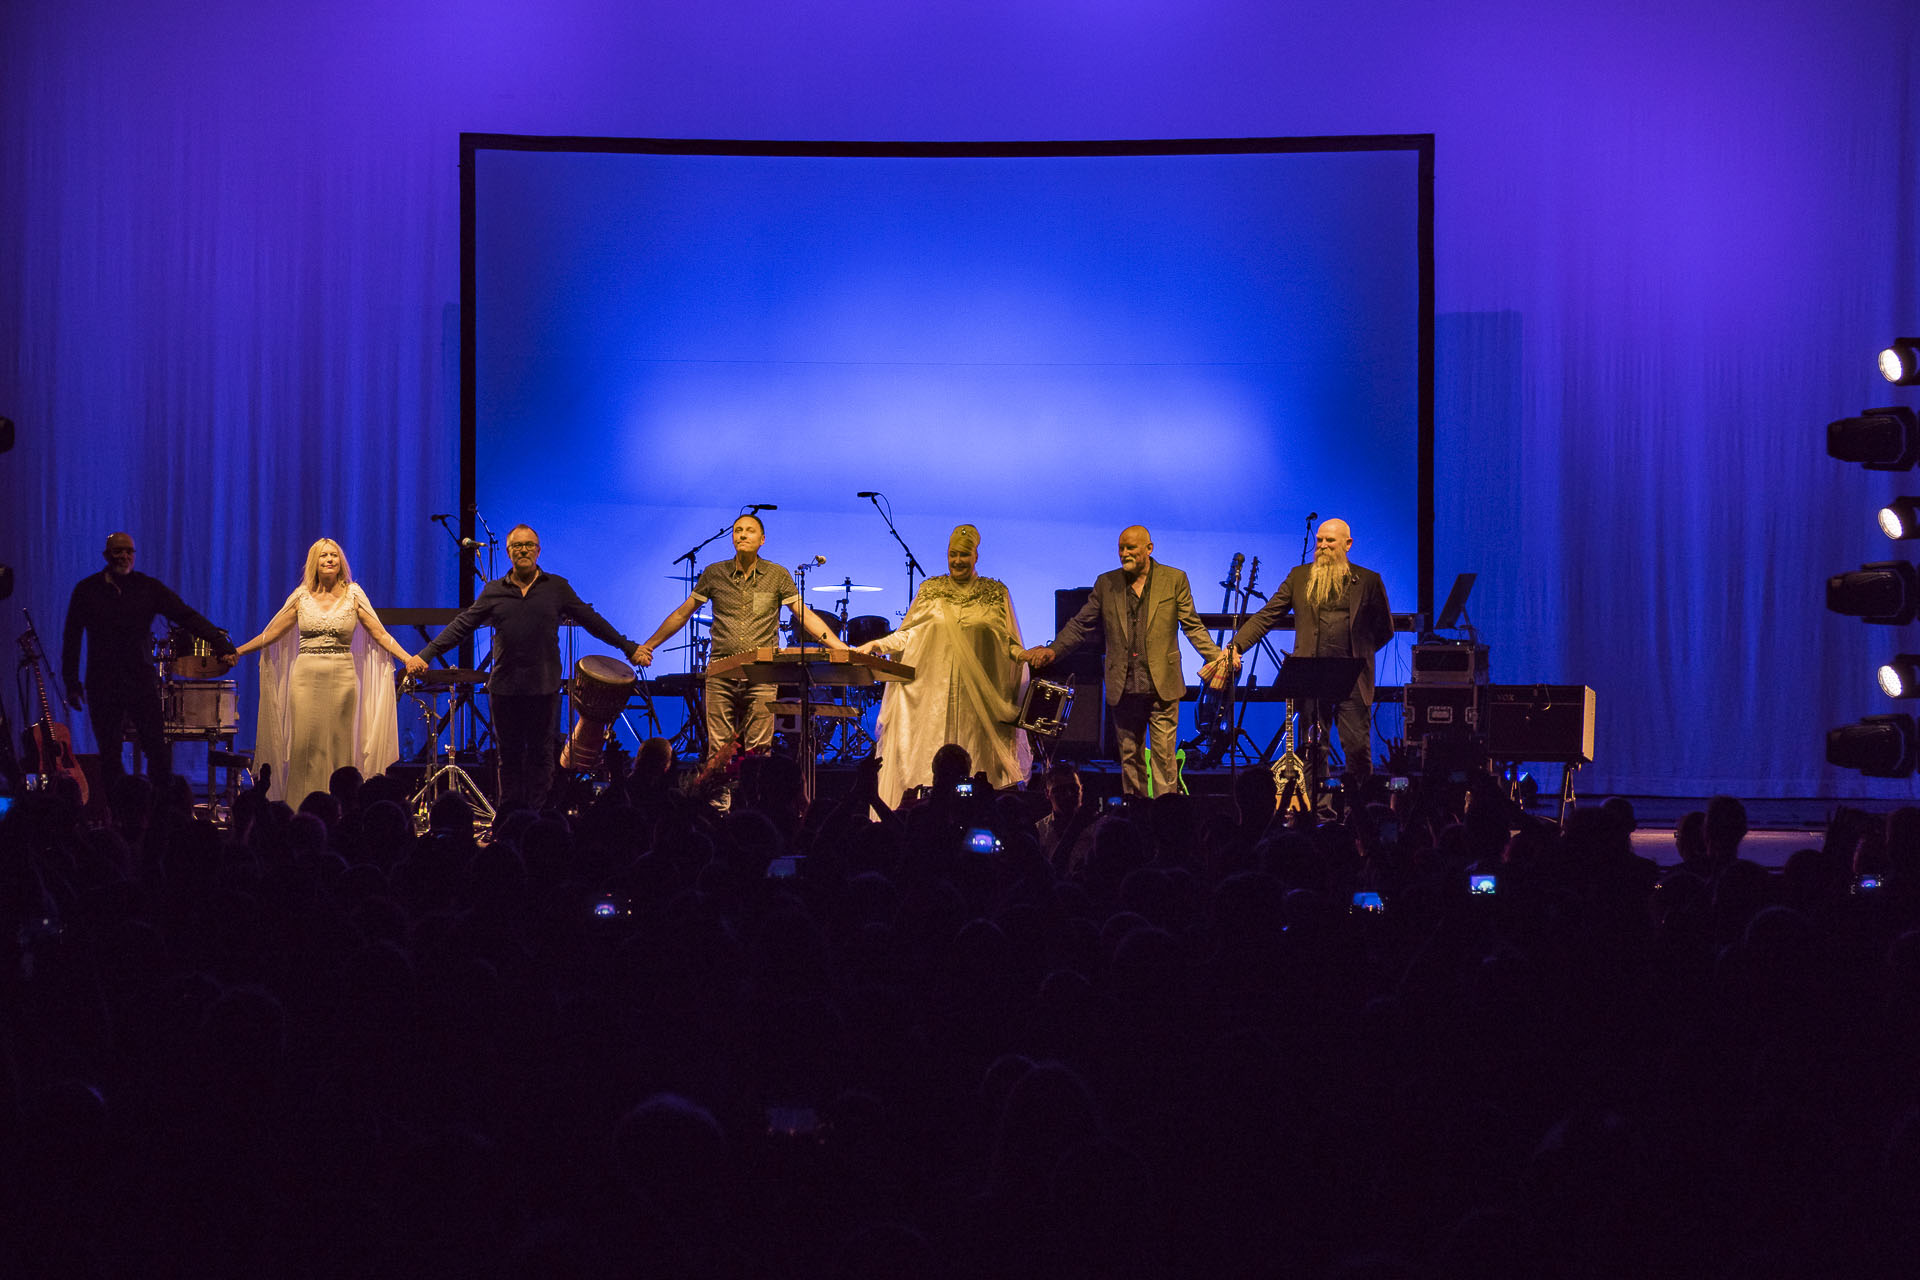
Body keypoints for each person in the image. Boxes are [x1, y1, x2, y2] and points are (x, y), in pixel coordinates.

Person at [407, 524, 644, 814]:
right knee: (508, 758)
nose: (523, 550)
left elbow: (591, 620)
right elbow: (461, 626)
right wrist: (425, 654)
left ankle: (536, 818)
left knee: (541, 757)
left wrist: (628, 646)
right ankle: (508, 818)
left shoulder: (556, 587)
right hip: (505, 689)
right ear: (508, 552)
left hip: (543, 688)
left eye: (529, 545)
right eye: (517, 546)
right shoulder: (494, 591)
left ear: (538, 550)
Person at [1025, 526, 1221, 798]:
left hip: (1161, 684)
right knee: (1131, 759)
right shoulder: (1107, 584)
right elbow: (1081, 625)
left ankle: (1166, 819)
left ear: (1149, 548)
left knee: (1164, 760)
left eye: (1131, 548)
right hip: (1124, 687)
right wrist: (1054, 651)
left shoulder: (1174, 579)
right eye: (1121, 548)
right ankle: (1137, 817)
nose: (1125, 553)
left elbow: (1192, 626)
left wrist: (1216, 657)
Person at [634, 512, 845, 763]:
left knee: (759, 752)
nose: (742, 534)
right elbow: (682, 613)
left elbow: (805, 616)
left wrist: (839, 646)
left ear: (762, 539)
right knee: (719, 752)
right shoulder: (714, 573)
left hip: (762, 674)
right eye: (738, 530)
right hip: (721, 673)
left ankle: (755, 801)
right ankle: (719, 803)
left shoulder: (777, 575)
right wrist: (648, 645)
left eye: (749, 530)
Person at [1202, 516, 1392, 784]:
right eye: (1320, 540)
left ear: (1347, 544)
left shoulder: (1369, 581)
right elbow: (1267, 615)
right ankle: (1318, 816)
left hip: (1352, 679)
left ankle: (1356, 814)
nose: (1323, 546)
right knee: (1313, 750)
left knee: (1358, 751)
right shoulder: (1299, 577)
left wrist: (1362, 655)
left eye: (1330, 541)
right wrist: (1236, 645)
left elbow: (1385, 629)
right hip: (1311, 677)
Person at [855, 524, 1031, 807]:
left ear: (976, 556)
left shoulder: (996, 593)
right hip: (933, 699)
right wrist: (879, 644)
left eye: (964, 554)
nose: (957, 561)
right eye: (952, 554)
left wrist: (1026, 655)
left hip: (978, 706)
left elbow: (1008, 643)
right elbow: (909, 633)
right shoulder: (930, 591)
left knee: (976, 766)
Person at [232, 539, 413, 806]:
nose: (329, 560)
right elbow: (270, 634)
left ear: (341, 562)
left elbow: (380, 634)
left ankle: (342, 807)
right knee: (306, 745)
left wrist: (409, 659)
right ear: (314, 562)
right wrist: (238, 651)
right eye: (323, 556)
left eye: (334, 556)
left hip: (342, 675)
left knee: (340, 743)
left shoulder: (354, 594)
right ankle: (300, 807)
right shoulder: (301, 597)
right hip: (306, 677)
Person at [61, 531, 237, 786]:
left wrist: (220, 642)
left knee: (157, 751)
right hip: (103, 683)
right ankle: (119, 815)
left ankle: (159, 814)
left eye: (128, 551)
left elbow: (185, 615)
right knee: (110, 754)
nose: (123, 556)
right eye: (117, 551)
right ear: (106, 555)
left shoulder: (147, 588)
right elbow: (72, 638)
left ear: (134, 555)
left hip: (140, 681)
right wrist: (72, 683)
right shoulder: (87, 591)